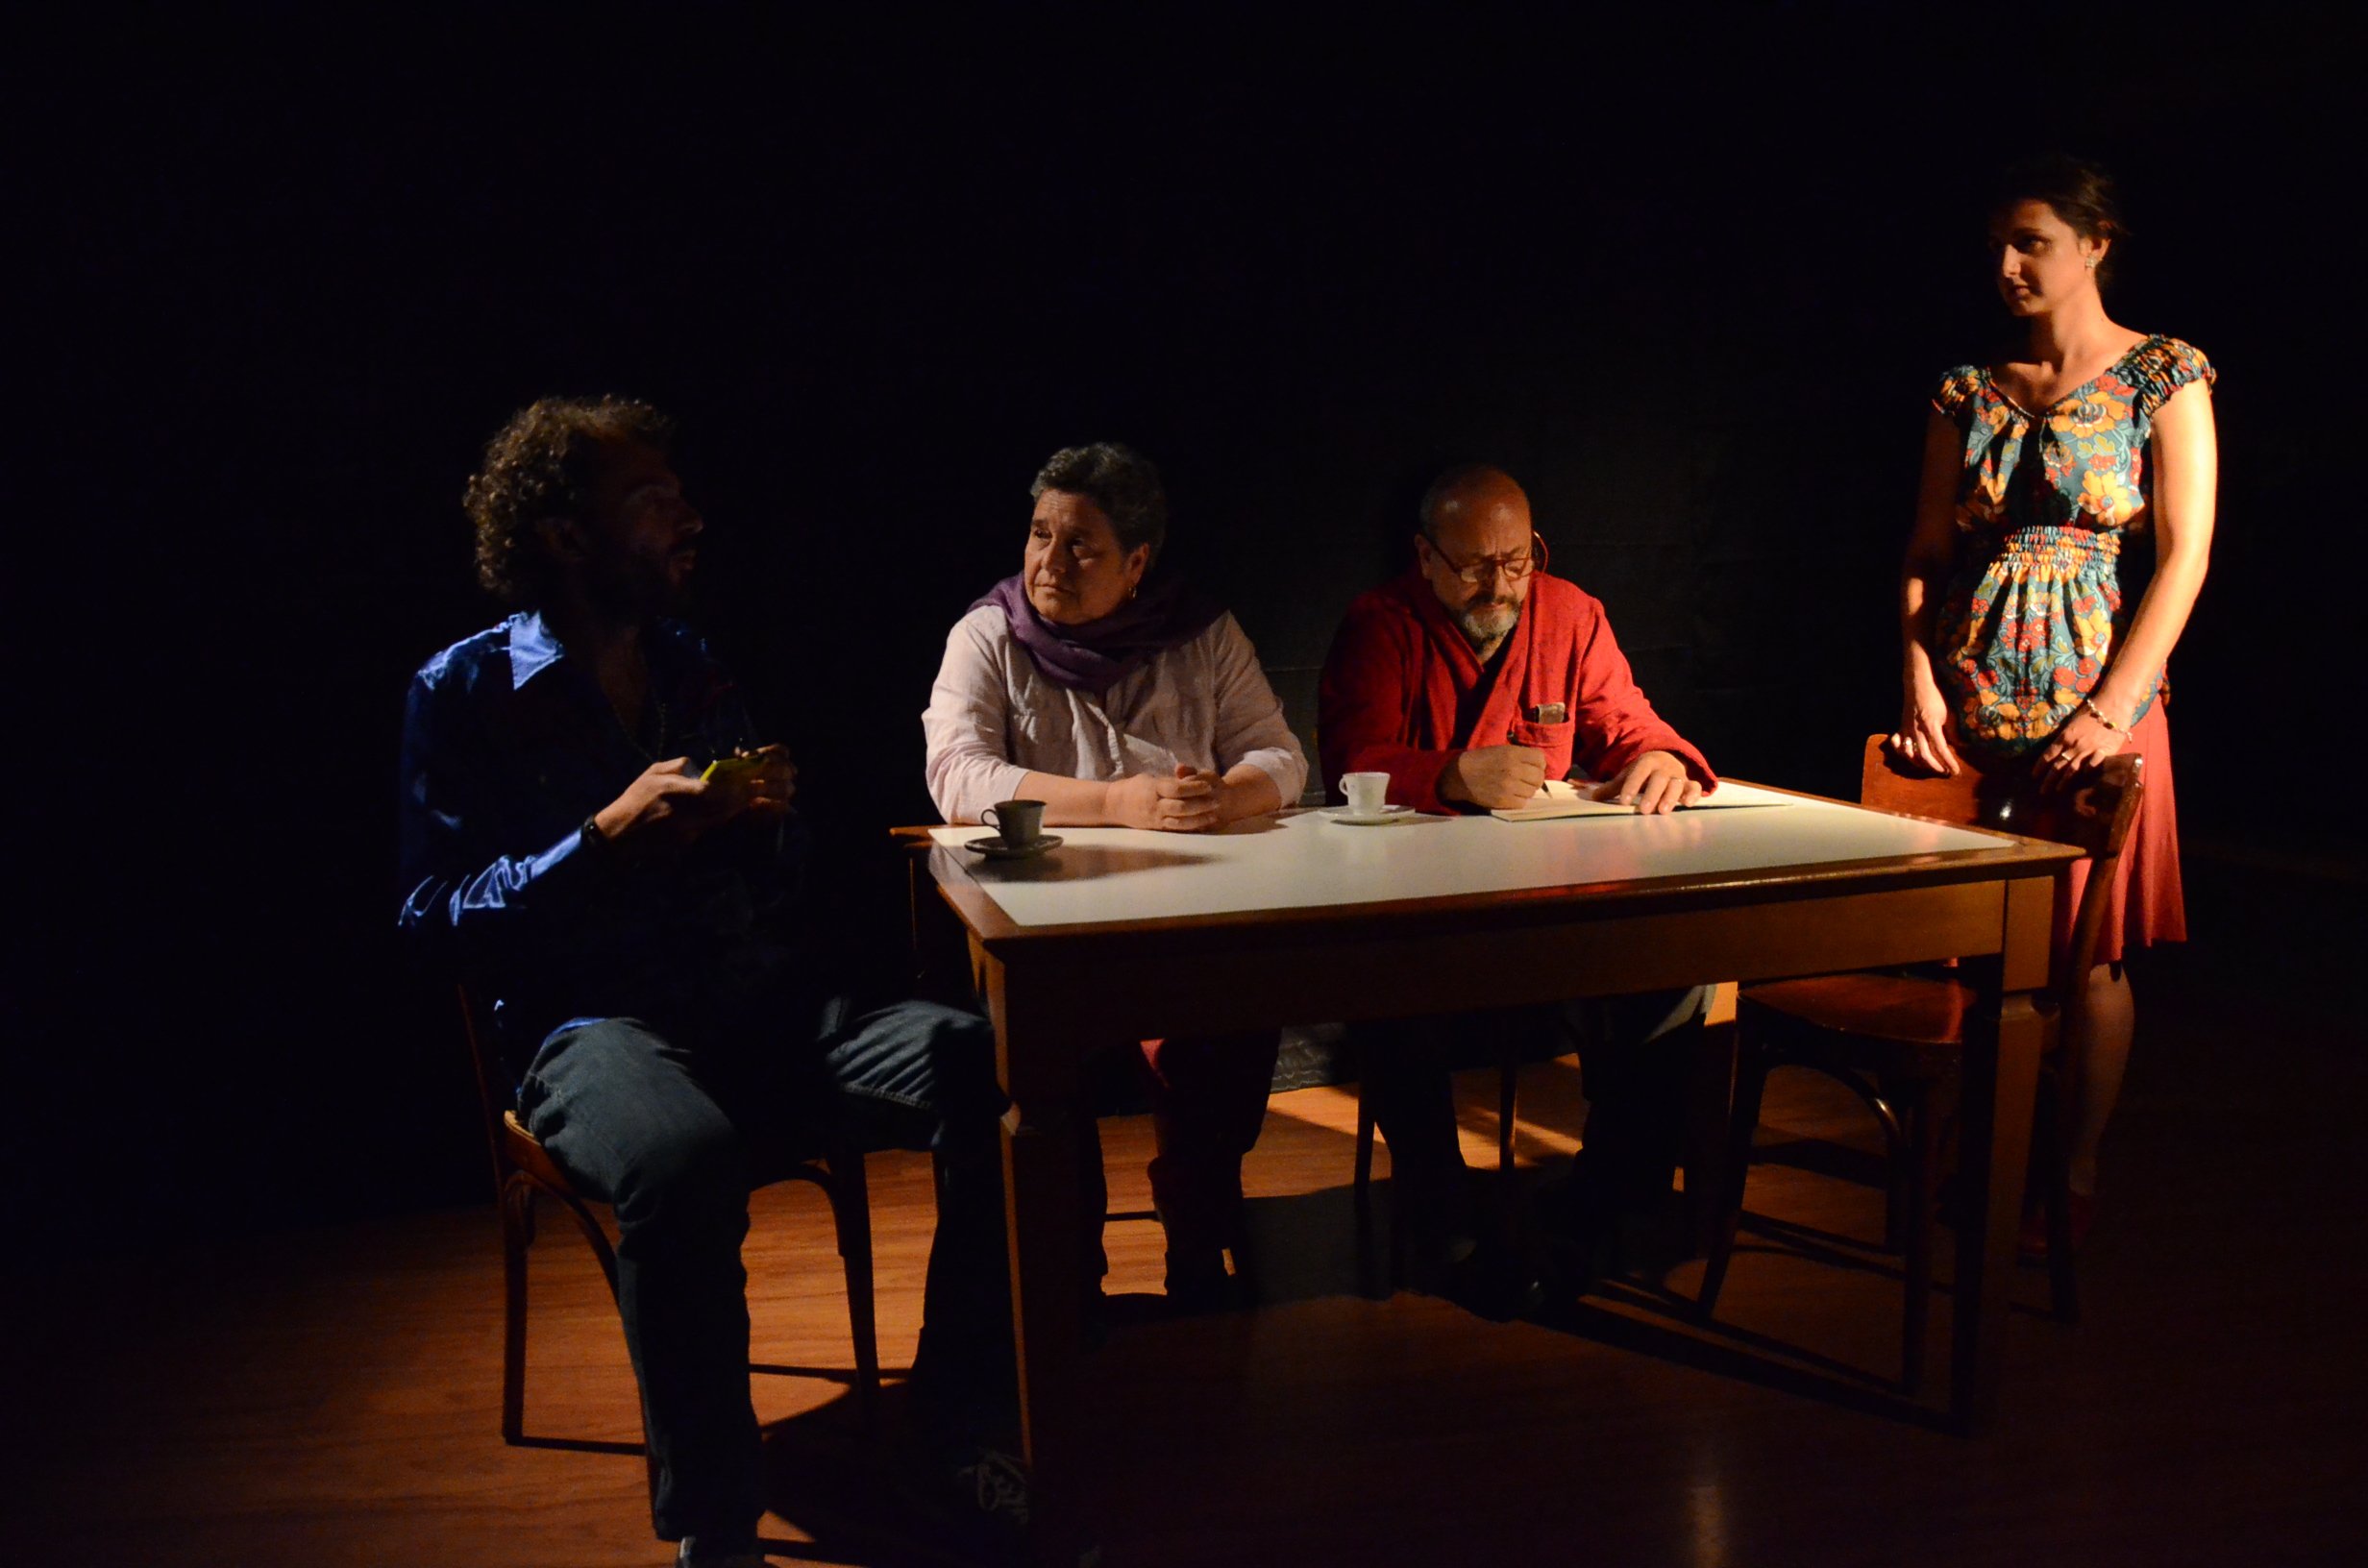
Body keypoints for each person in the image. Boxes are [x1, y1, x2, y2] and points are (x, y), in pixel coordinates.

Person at [400, 399, 1020, 1568]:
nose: (690, 520)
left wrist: (764, 821)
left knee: (984, 1064)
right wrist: (602, 840)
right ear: (567, 537)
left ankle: (965, 1422)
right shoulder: (464, 690)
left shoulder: (688, 663)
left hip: (751, 1004)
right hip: (590, 1029)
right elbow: (433, 919)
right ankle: (718, 1527)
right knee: (681, 1158)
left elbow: (779, 881)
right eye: (654, 502)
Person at [1894, 156, 2214, 1254]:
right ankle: (1973, 1154)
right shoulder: (1967, 391)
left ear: (2095, 245)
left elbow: (2183, 556)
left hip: (2096, 710)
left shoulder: (2161, 375)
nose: (2007, 265)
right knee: (1969, 948)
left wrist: (2110, 709)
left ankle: (2068, 1171)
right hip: (1972, 704)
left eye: (2031, 241)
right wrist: (1916, 673)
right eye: (1998, 243)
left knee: (2091, 955)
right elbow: (1926, 550)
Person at [923, 441, 1307, 1311]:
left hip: (1180, 917)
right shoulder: (990, 635)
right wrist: (1114, 803)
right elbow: (957, 775)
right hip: (1048, 926)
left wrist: (1228, 794)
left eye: (1080, 546)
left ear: (1137, 563)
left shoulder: (1201, 632)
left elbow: (1281, 755)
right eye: (1039, 535)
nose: (1049, 563)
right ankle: (1071, 1271)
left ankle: (1197, 1227)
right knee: (1037, 1069)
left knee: (1237, 1017)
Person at [1318, 463, 1716, 1301]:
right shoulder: (1380, 624)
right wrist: (1452, 774)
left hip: (1551, 897)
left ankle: (1613, 1192)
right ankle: (1441, 1211)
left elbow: (1624, 717)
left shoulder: (1571, 613)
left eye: (1515, 561)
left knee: (1676, 967)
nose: (1499, 587)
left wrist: (1658, 756)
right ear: (1424, 557)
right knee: (1381, 983)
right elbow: (1354, 759)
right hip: (1423, 907)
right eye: (1472, 567)